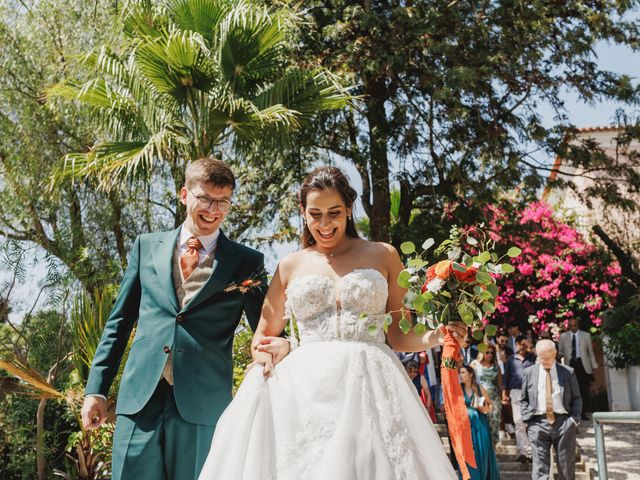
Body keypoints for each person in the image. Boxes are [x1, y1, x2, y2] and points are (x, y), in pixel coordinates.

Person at [198, 166, 467, 479]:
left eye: (334, 212)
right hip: (303, 391)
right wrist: (277, 349)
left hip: (373, 382)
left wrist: (439, 335)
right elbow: (262, 339)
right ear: (304, 212)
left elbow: (399, 335)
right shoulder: (290, 265)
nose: (324, 224)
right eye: (315, 214)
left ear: (349, 209)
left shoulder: (384, 255)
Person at [79, 158, 290, 479]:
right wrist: (96, 390)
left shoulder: (246, 262)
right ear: (184, 194)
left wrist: (281, 353)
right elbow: (119, 323)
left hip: (203, 403)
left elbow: (268, 327)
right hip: (140, 400)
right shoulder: (145, 247)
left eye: (223, 202)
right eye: (205, 199)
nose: (213, 210)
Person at [521, 340, 582, 480]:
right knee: (540, 469)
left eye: (547, 358)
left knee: (566, 467)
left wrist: (573, 420)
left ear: (555, 354)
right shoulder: (529, 372)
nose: (543, 361)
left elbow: (577, 398)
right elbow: (523, 399)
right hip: (537, 423)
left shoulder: (568, 372)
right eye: (540, 357)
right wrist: (528, 420)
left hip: (563, 423)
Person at [459, 366, 500, 480]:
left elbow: (490, 406)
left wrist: (482, 408)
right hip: (464, 426)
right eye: (460, 373)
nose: (460, 375)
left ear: (471, 374)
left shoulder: (479, 388)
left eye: (463, 372)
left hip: (479, 426)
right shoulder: (458, 389)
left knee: (480, 453)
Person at [502, 335, 536, 463]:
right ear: (516, 344)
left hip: (530, 392)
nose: (522, 346)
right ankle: (523, 452)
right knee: (518, 421)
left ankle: (532, 452)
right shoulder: (511, 359)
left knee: (530, 421)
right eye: (520, 344)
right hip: (515, 391)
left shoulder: (532, 358)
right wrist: (504, 393)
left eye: (524, 344)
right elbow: (507, 377)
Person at [558, 318, 597, 419]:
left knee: (584, 389)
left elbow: (590, 352)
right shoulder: (563, 336)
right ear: (568, 326)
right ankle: (572, 412)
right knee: (570, 389)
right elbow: (560, 351)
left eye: (575, 325)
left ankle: (583, 412)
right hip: (570, 364)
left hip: (582, 364)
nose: (573, 328)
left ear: (578, 325)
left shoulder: (586, 335)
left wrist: (594, 365)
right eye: (571, 326)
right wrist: (560, 356)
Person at [471, 346, 502, 445]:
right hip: (480, 398)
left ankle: (493, 453)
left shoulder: (496, 366)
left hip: (494, 400)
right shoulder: (475, 364)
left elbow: (500, 384)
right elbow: (469, 381)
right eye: (487, 352)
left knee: (494, 426)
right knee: (481, 425)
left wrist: (502, 398)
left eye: (492, 353)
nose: (489, 355)